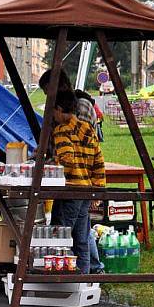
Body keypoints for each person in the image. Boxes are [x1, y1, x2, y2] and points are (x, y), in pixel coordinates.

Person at [39, 69, 104, 272]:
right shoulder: (87, 130)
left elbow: (67, 157)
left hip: (70, 186)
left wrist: (54, 165)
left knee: (62, 232)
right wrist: (99, 186)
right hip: (85, 186)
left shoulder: (63, 129)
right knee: (81, 235)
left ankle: (64, 273)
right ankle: (83, 275)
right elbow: (98, 159)